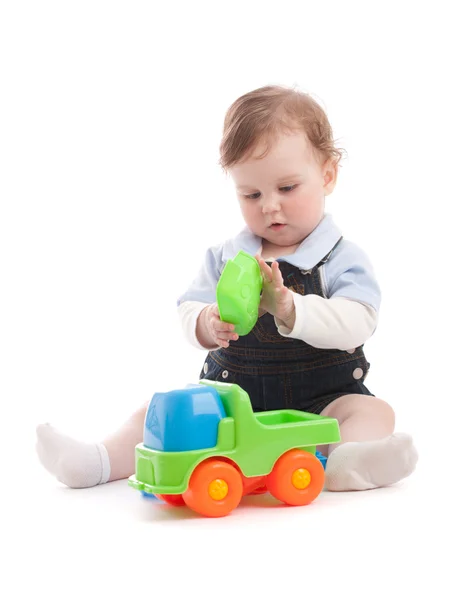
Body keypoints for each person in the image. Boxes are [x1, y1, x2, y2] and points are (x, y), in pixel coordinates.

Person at [36, 85, 418, 492]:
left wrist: (292, 309)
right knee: (161, 412)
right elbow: (188, 306)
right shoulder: (225, 258)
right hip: (234, 401)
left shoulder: (341, 257)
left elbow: (359, 321)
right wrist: (204, 321)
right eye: (251, 194)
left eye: (287, 188)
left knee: (373, 411)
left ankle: (346, 463)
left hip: (321, 401)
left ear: (327, 175)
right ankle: (97, 461)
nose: (270, 205)